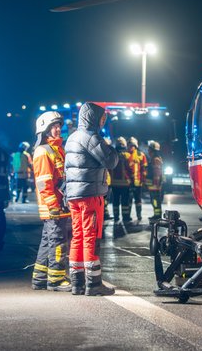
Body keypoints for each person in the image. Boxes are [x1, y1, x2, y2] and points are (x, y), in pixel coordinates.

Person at [65, 102, 118, 296]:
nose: (103, 121)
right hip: (90, 194)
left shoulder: (71, 138)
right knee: (91, 237)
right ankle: (93, 284)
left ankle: (77, 283)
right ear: (95, 118)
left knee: (77, 237)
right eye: (102, 118)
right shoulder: (92, 137)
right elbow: (110, 161)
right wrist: (112, 148)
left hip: (74, 195)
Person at [31, 111, 72, 291]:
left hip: (58, 204)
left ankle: (39, 278)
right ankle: (55, 279)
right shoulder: (43, 151)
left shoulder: (57, 149)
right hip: (53, 206)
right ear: (45, 129)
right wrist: (53, 205)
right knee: (58, 242)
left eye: (58, 126)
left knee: (48, 241)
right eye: (54, 126)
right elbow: (44, 182)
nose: (57, 129)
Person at [109, 136, 132, 225]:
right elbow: (130, 169)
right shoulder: (127, 155)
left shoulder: (112, 155)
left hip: (114, 183)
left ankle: (116, 216)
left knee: (115, 200)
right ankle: (125, 217)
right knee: (125, 201)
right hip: (125, 183)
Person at [126, 137, 148, 223]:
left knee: (138, 200)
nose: (131, 147)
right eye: (129, 145)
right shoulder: (126, 155)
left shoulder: (140, 155)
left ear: (135, 146)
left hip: (138, 182)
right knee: (129, 200)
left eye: (132, 146)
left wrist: (143, 179)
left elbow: (144, 169)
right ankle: (128, 216)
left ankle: (139, 215)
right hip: (128, 182)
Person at [146, 140, 164, 221]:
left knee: (155, 200)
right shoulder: (154, 158)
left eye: (149, 149)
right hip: (154, 185)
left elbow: (157, 173)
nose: (148, 150)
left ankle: (157, 215)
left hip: (155, 185)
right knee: (154, 200)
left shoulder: (155, 159)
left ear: (152, 150)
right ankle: (156, 214)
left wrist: (156, 184)